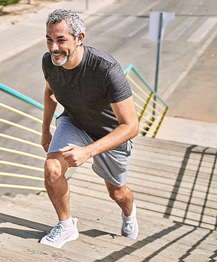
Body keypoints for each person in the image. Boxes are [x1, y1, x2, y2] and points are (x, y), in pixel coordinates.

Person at [39, 9, 140, 249]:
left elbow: (131, 126)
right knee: (52, 169)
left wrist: (88, 151)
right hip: (74, 121)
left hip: (109, 135)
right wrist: (45, 131)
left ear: (79, 38)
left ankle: (129, 214)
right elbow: (50, 93)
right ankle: (66, 227)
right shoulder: (49, 61)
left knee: (117, 193)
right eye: (49, 39)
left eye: (61, 40)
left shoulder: (105, 69)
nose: (54, 47)